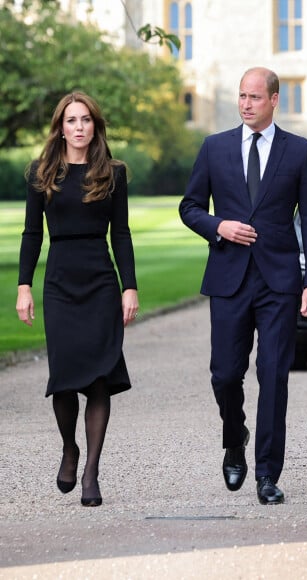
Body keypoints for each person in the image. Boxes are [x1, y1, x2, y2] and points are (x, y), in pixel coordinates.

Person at [179, 67, 307, 505]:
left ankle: (267, 474)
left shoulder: (299, 151)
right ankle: (234, 435)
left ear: (275, 100)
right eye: (241, 96)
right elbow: (189, 207)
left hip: (279, 281)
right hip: (228, 279)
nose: (245, 104)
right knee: (225, 374)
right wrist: (218, 225)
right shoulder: (214, 147)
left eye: (255, 97)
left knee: (274, 375)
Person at [16, 92, 139, 507]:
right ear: (61, 126)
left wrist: (129, 286)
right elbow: (32, 233)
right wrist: (23, 286)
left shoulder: (114, 173)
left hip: (100, 281)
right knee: (65, 379)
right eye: (72, 120)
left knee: (99, 377)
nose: (79, 127)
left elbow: (120, 234)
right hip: (60, 283)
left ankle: (91, 471)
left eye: (86, 119)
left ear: (95, 125)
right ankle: (70, 448)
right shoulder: (41, 172)